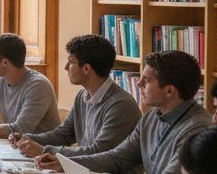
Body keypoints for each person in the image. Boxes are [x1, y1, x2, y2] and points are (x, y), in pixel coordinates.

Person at [39, 50, 209, 174]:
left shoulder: (197, 128)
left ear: (169, 90)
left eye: (146, 80)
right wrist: (66, 163)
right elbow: (118, 157)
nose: (138, 82)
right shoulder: (151, 117)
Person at [10, 34, 140, 159]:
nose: (66, 67)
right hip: (85, 173)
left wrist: (44, 150)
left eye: (70, 62)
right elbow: (64, 134)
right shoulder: (82, 95)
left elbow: (98, 152)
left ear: (86, 69)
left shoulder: (120, 106)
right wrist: (27, 138)